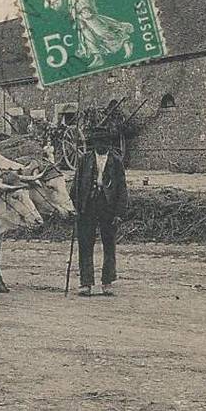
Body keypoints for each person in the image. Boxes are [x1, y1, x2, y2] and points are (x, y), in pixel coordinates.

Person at [71, 127, 128, 297]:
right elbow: (76, 184)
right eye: (97, 142)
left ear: (109, 144)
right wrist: (73, 206)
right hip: (87, 206)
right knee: (85, 244)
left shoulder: (116, 161)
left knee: (109, 245)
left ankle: (107, 282)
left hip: (108, 207)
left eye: (104, 142)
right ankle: (86, 283)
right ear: (93, 143)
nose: (101, 145)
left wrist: (119, 213)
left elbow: (122, 189)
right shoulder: (85, 159)